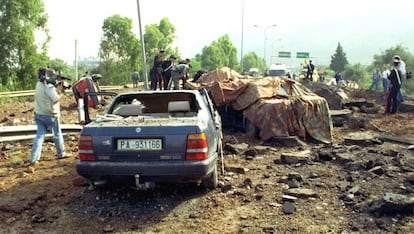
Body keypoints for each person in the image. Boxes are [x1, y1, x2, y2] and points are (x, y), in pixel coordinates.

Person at [29, 68, 66, 165]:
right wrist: (62, 91)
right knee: (57, 134)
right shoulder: (49, 87)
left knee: (39, 136)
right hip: (50, 115)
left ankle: (34, 158)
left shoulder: (38, 85)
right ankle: (61, 153)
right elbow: (55, 99)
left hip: (39, 113)